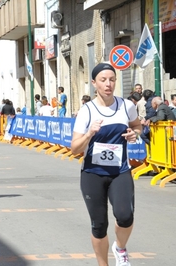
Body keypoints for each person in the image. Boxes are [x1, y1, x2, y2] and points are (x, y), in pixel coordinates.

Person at [70, 63, 141, 266]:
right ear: (94, 83)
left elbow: (137, 126)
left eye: (112, 79)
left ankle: (120, 248)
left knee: (125, 215)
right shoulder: (86, 111)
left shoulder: (127, 105)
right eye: (103, 80)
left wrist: (133, 134)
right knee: (99, 225)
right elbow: (75, 148)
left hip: (120, 171)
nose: (108, 84)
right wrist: (89, 134)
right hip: (93, 173)